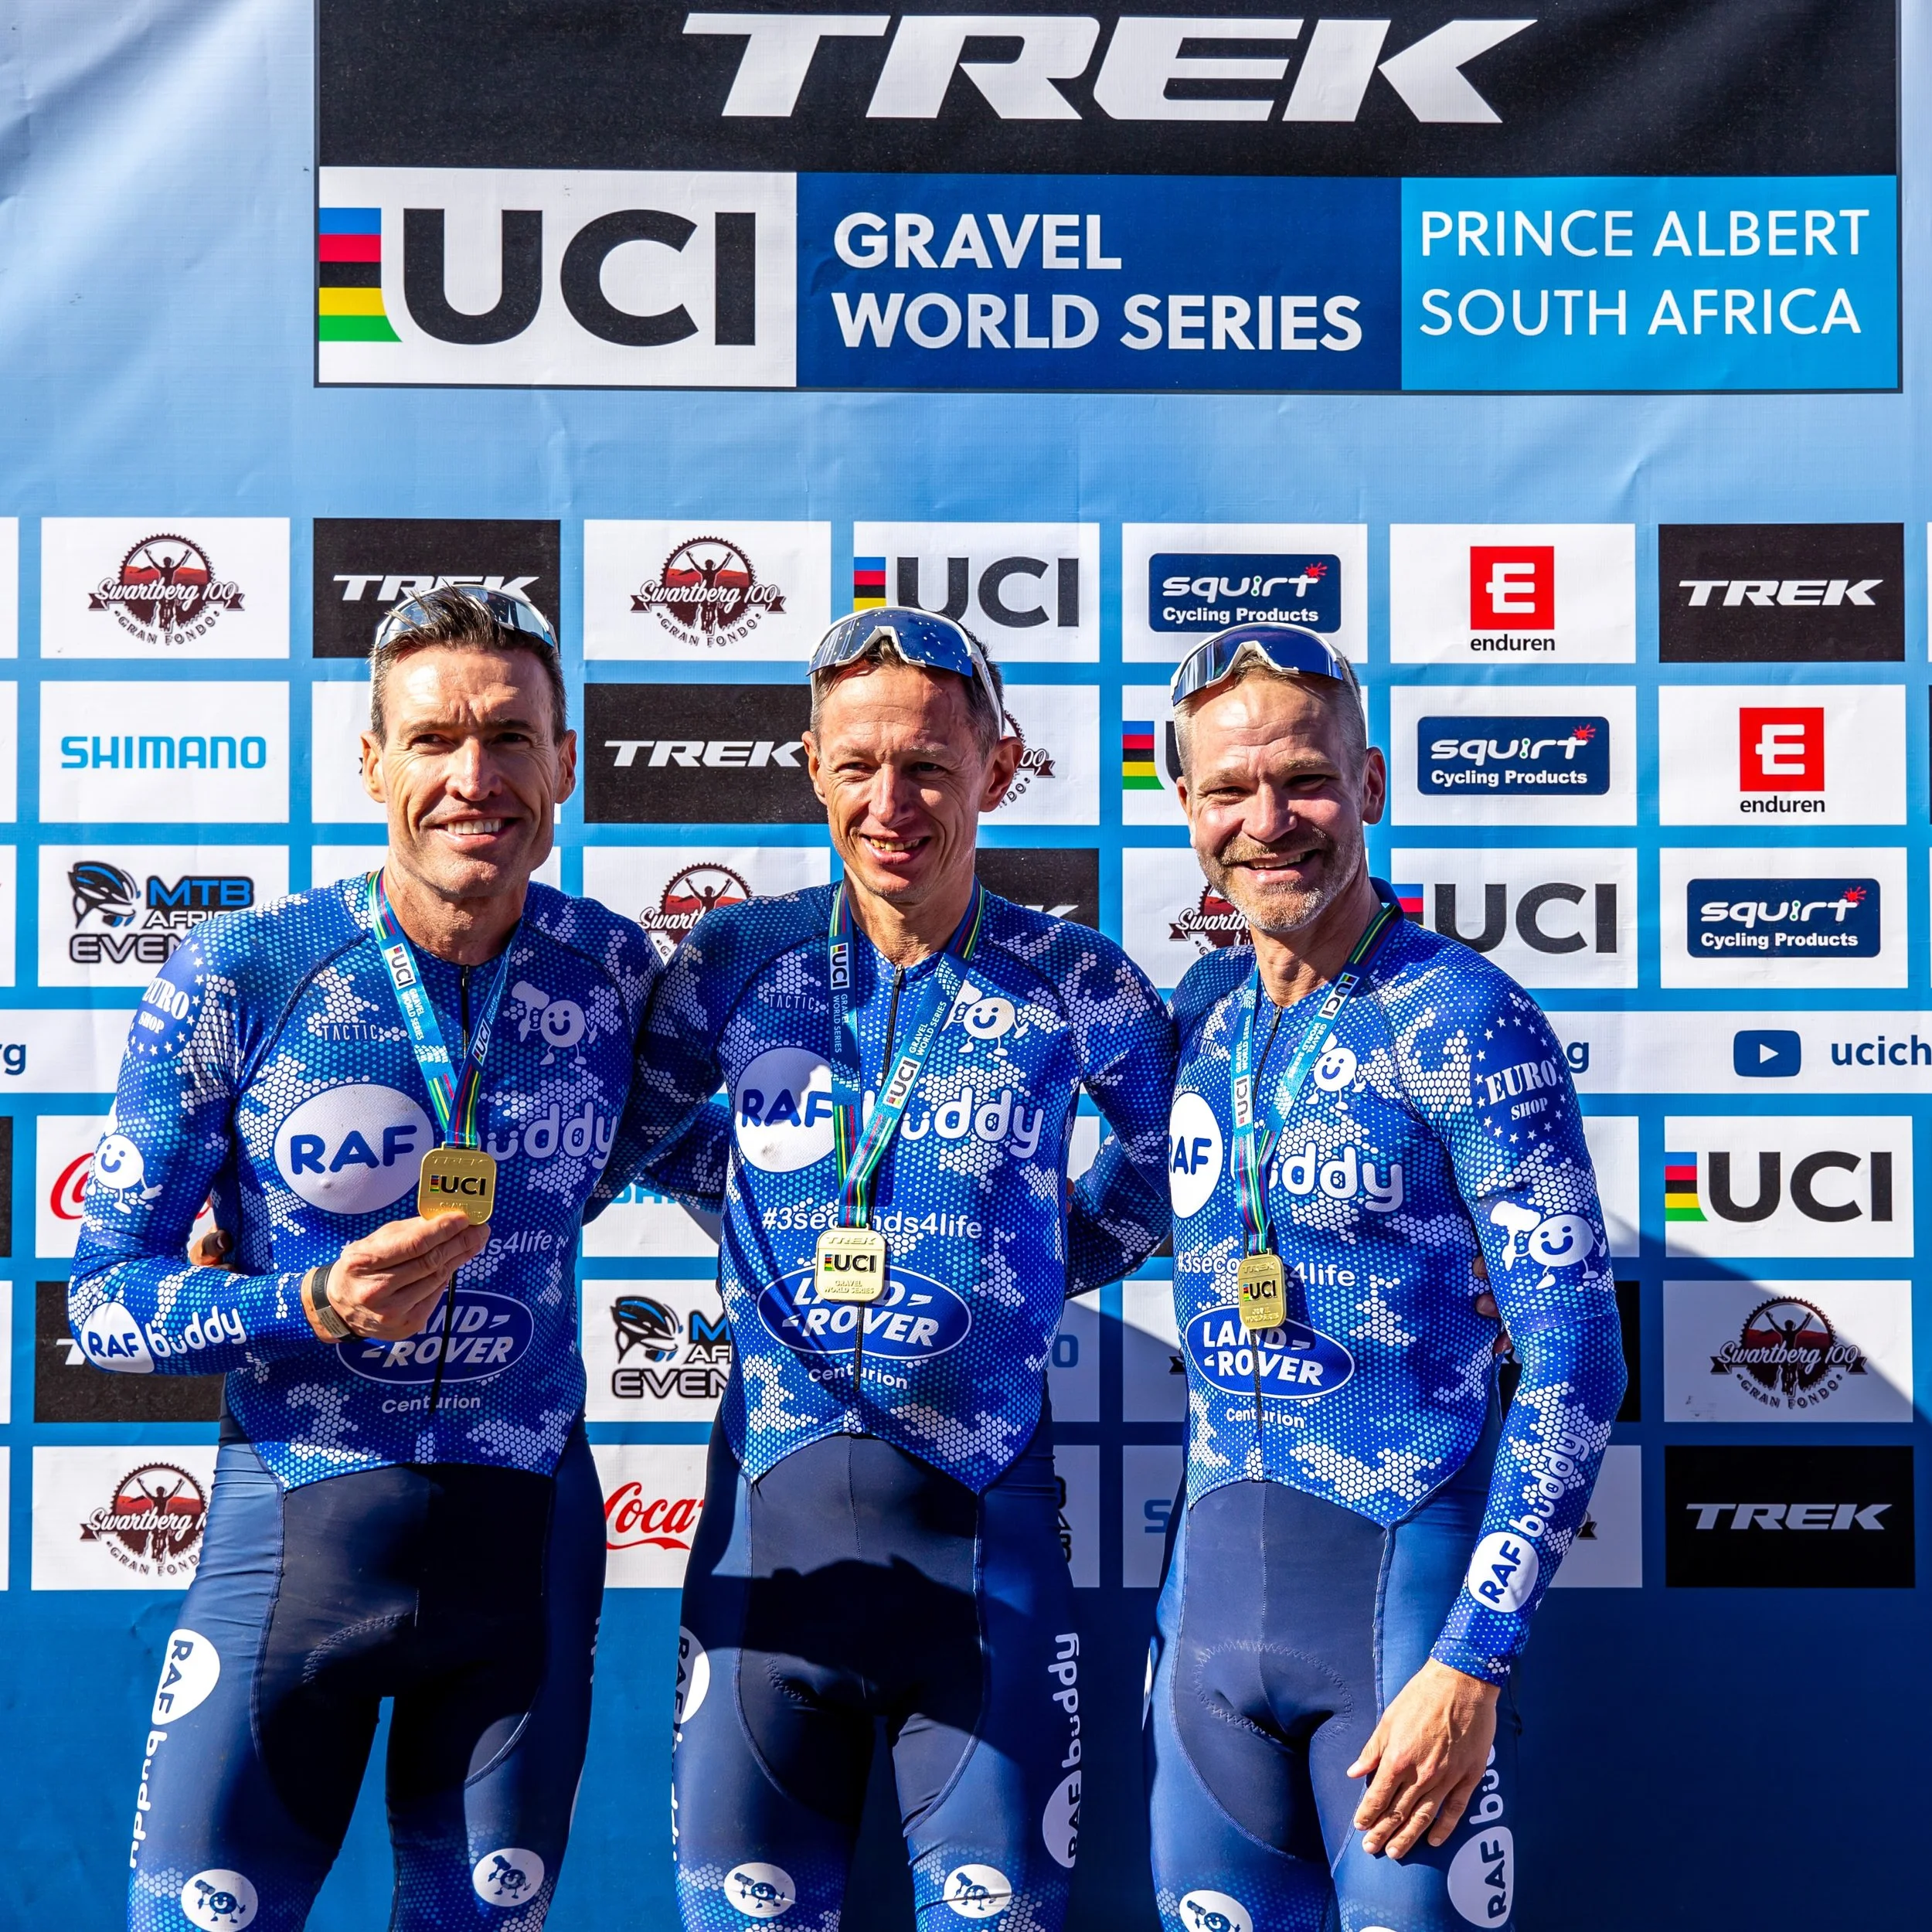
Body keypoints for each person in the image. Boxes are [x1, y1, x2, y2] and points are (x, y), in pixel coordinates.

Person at [70, 585, 715, 1932]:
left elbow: (705, 1161)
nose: (471, 778)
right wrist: (303, 1300)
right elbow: (103, 1301)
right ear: (372, 763)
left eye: (508, 739)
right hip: (296, 1536)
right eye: (431, 741)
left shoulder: (614, 973)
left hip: (524, 1541)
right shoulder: (246, 974)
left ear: (565, 763)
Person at [634, 608, 1176, 1932]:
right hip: (769, 1553)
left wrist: (1031, 1259)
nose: (894, 804)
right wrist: (762, 1205)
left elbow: (1181, 1171)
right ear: (813, 767)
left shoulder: (1076, 981)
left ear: (998, 771)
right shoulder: (732, 963)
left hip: (984, 1568)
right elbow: (628, 1129)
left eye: (931, 766)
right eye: (860, 764)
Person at [1145, 624, 1625, 1932]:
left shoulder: (1463, 1015)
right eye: (1229, 791)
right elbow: (1083, 1225)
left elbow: (1579, 1360)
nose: (1268, 822)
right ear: (1184, 806)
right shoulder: (1198, 1018)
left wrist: (1472, 1662)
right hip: (1206, 1649)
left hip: (1401, 1641)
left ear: (1367, 784)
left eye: (1303, 779)